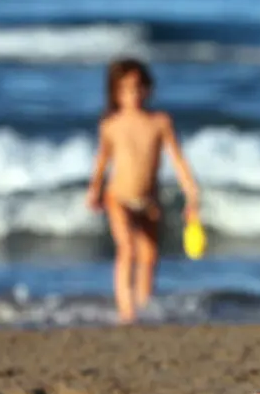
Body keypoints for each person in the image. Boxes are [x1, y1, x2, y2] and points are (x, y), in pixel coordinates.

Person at [86, 57, 200, 323]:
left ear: (148, 88)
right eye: (125, 89)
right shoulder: (111, 124)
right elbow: (102, 160)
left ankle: (143, 302)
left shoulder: (159, 121)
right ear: (115, 92)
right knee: (127, 249)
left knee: (149, 254)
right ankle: (127, 311)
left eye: (138, 87)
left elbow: (177, 159)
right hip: (118, 197)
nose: (133, 94)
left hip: (148, 199)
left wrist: (191, 192)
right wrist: (94, 189)